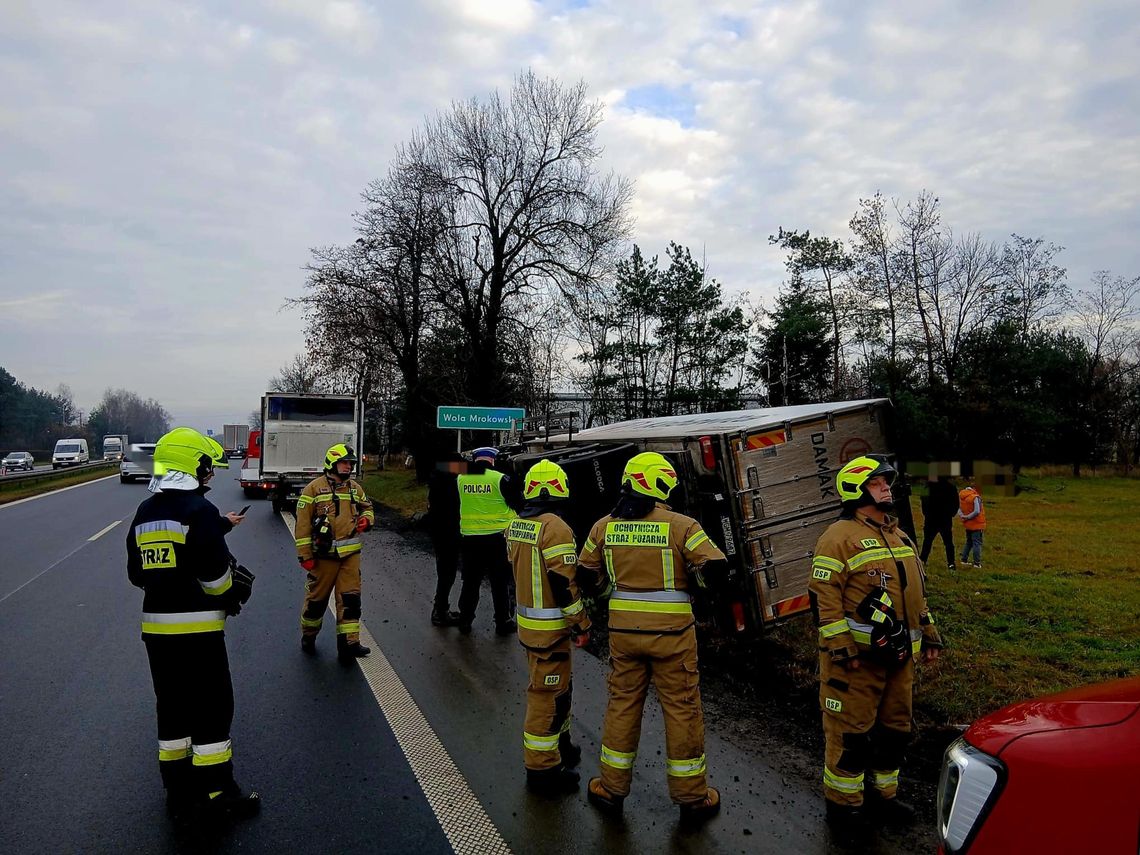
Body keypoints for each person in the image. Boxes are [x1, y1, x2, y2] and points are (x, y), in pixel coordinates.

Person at [577, 451, 726, 825]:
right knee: (682, 707)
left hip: (623, 635)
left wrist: (603, 592)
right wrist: (697, 585)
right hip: (673, 637)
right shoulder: (682, 525)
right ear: (660, 483)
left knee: (623, 705)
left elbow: (586, 576)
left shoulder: (603, 527)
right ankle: (693, 798)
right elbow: (716, 571)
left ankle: (610, 789)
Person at [808, 454, 943, 844]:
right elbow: (824, 596)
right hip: (855, 663)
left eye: (887, 481)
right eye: (878, 482)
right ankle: (843, 806)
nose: (888, 487)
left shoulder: (898, 536)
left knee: (895, 731)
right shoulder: (837, 537)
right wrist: (840, 645)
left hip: (900, 659)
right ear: (856, 490)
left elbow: (914, 593)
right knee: (851, 735)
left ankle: (883, 797)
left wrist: (929, 629)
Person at [126, 427, 259, 822]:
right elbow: (216, 579)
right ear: (191, 465)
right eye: (207, 467)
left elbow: (137, 574)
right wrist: (235, 591)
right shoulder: (199, 511)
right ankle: (218, 792)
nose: (211, 475)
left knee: (172, 708)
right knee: (213, 709)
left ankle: (178, 790)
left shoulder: (145, 512)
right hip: (198, 632)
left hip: (156, 631)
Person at [505, 459, 591, 795]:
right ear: (560, 489)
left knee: (559, 693)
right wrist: (581, 623)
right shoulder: (556, 527)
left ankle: (562, 745)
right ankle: (542, 769)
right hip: (550, 632)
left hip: (531, 629)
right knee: (546, 698)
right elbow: (563, 583)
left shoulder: (516, 525)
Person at [294, 444, 375, 663]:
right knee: (316, 602)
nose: (348, 467)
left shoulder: (354, 488)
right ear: (331, 463)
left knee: (350, 600)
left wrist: (367, 519)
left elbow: (367, 507)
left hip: (349, 556)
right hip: (322, 558)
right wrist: (305, 556)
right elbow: (302, 527)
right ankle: (308, 636)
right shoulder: (312, 489)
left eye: (350, 463)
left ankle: (349, 644)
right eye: (344, 463)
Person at [456, 446, 518, 636]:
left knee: (470, 582)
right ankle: (502, 622)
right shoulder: (499, 478)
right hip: (497, 540)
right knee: (499, 582)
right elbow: (516, 502)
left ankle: (465, 620)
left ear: (475, 460)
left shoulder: (460, 478)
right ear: (492, 460)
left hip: (470, 540)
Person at [427, 455, 464, 627]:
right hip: (450, 531)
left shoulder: (437, 478)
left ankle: (441, 609)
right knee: (448, 573)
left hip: (438, 531)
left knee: (445, 572)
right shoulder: (451, 483)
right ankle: (440, 611)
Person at [919, 475, 958, 571]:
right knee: (948, 542)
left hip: (931, 518)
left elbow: (924, 501)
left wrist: (926, 513)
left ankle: (923, 559)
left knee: (927, 541)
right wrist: (951, 513)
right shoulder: (951, 487)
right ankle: (951, 563)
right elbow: (956, 503)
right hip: (945, 519)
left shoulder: (928, 486)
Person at [958, 477, 986, 568]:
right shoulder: (975, 497)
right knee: (977, 543)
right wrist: (968, 517)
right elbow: (977, 511)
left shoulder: (961, 496)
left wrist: (963, 516)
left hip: (967, 524)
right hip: (977, 524)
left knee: (969, 542)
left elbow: (958, 508)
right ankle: (977, 563)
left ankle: (964, 559)